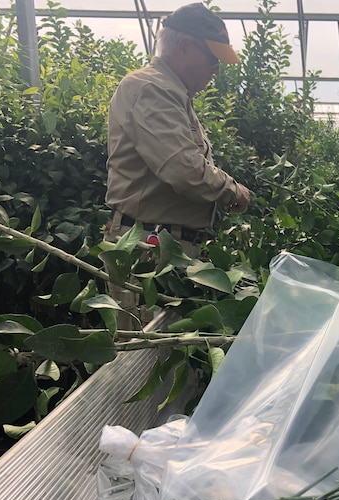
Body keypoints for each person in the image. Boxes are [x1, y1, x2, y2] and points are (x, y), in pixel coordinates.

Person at [104, 2, 251, 328]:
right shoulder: (152, 88)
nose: (216, 69)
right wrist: (232, 190)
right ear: (184, 47)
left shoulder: (172, 93)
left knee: (165, 360)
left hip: (163, 248)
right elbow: (183, 169)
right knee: (141, 358)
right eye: (212, 58)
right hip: (147, 250)